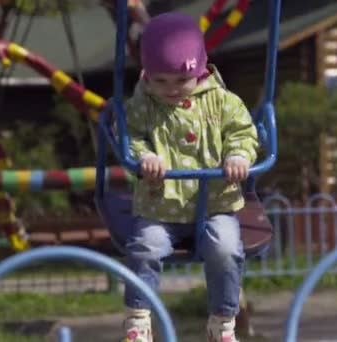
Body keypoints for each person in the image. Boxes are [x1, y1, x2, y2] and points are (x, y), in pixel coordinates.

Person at [118, 12, 259, 342]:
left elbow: (243, 133)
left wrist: (238, 156)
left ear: (200, 71)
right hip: (159, 206)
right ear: (147, 76)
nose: (170, 90)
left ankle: (222, 322)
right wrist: (145, 157)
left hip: (214, 205)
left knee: (226, 249)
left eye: (180, 81)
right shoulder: (141, 105)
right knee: (143, 247)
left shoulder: (223, 102)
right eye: (160, 81)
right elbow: (129, 136)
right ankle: (138, 321)